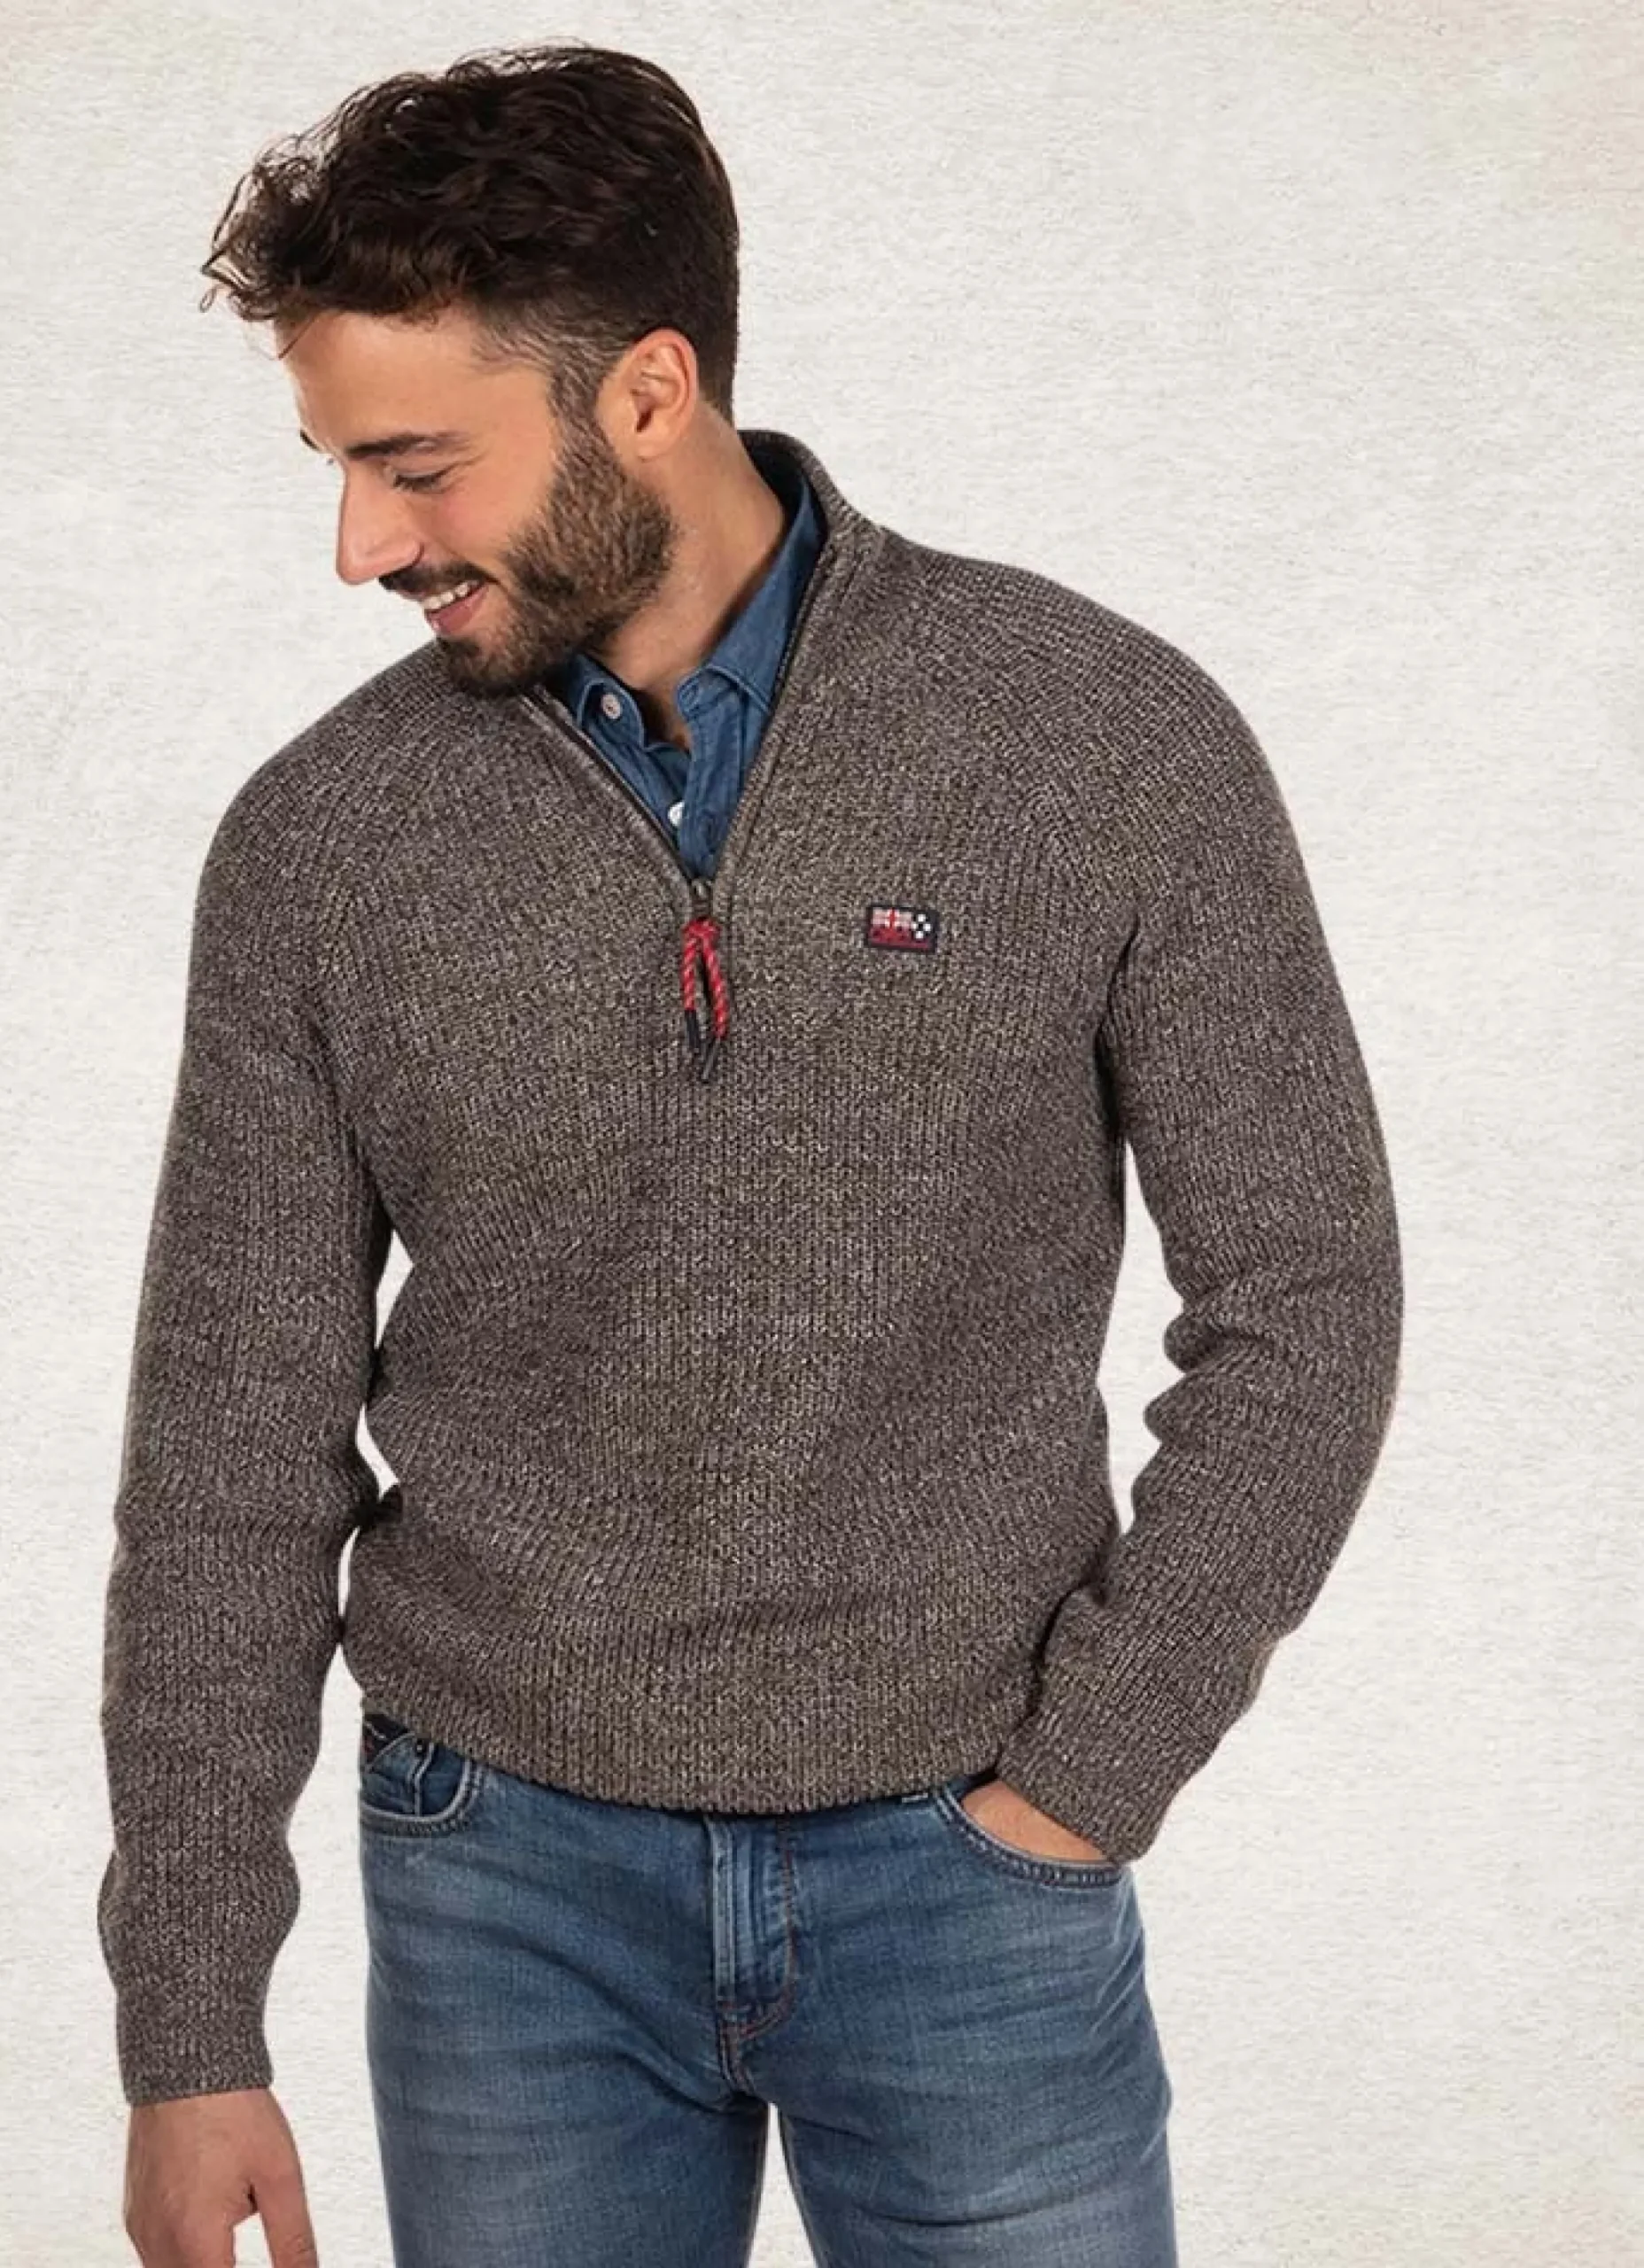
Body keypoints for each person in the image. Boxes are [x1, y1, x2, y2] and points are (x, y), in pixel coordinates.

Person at [97, 38, 1404, 2268]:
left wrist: (1084, 1779)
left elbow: (1307, 1294)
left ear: (646, 392)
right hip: (500, 1877)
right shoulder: (324, 840)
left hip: (974, 1866)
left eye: (415, 465)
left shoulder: (1094, 735)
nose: (359, 545)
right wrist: (190, 2023)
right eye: (336, 466)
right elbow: (232, 1441)